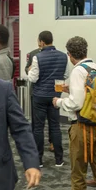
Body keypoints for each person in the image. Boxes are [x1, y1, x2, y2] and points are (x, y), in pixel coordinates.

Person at [53, 36, 96, 190]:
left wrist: (59, 102)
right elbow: (90, 97)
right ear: (85, 51)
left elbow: (76, 103)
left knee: (78, 173)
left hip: (82, 128)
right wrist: (70, 89)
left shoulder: (78, 71)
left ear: (69, 54)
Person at [26, 31, 67, 167]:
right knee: (55, 127)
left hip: (39, 96)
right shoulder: (63, 56)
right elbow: (65, 75)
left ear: (42, 42)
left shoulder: (38, 57)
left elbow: (33, 78)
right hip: (55, 95)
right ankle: (59, 160)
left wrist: (30, 69)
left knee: (38, 128)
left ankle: (39, 161)